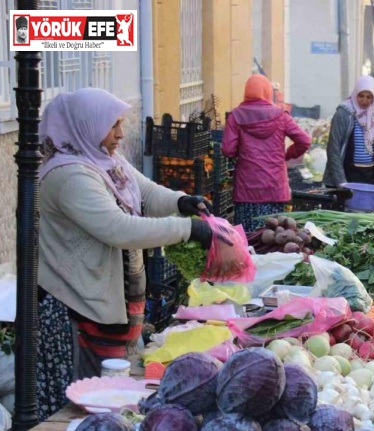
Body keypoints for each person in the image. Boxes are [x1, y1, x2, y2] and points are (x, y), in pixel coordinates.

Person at [36, 88, 229, 420]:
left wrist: (181, 201)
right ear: (86, 125)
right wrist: (187, 229)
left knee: (114, 392)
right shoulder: (68, 175)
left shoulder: (102, 159)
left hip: (112, 298)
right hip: (80, 303)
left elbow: (146, 191)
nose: (121, 134)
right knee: (87, 401)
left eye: (120, 124)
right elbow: (118, 228)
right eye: (113, 126)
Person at [223, 74, 311, 232]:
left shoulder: (236, 116)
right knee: (273, 238)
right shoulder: (281, 116)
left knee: (248, 239)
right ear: (267, 92)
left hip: (246, 188)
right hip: (274, 187)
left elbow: (228, 150)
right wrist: (286, 155)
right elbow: (304, 140)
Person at [323, 75, 374, 191]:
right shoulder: (344, 113)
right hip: (347, 173)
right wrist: (341, 182)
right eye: (361, 96)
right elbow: (333, 148)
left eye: (369, 97)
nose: (364, 101)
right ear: (355, 94)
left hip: (370, 175)